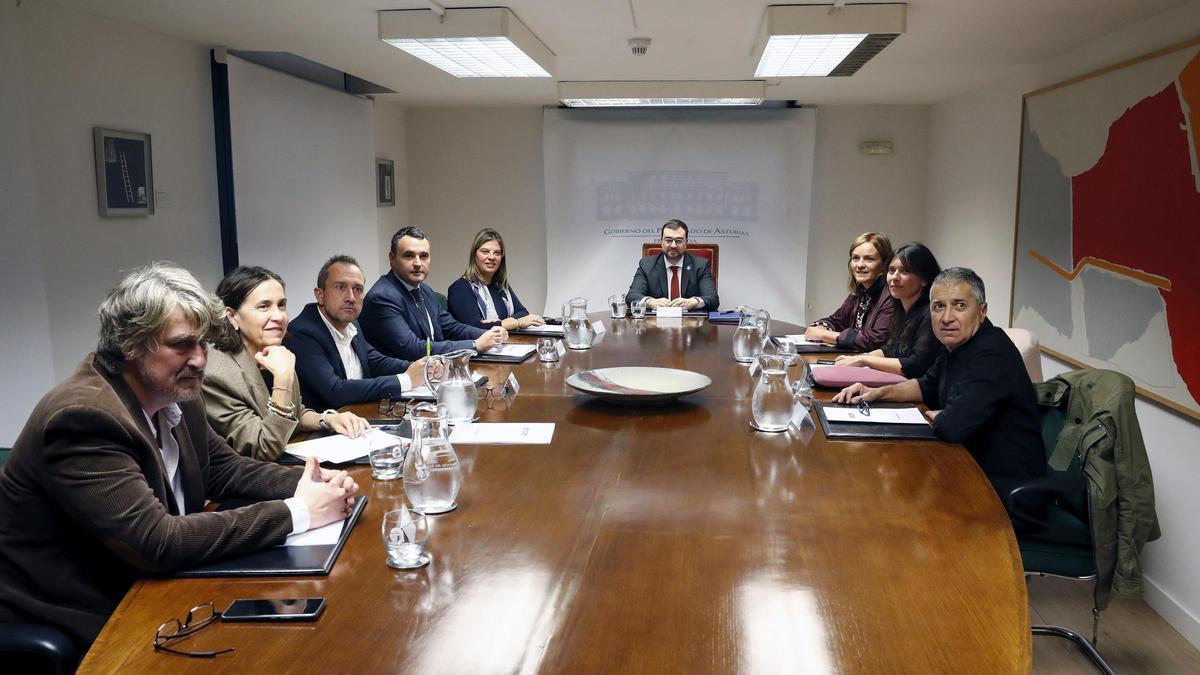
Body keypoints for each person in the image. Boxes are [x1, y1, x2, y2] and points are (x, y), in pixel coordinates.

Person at [0, 262, 358, 650]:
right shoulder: (83, 418)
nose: (200, 360)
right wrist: (299, 512)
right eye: (182, 344)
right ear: (130, 344)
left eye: (203, 344)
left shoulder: (176, 393)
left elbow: (223, 468)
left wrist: (316, 482)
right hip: (82, 613)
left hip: (158, 589)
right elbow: (156, 541)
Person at [833, 267, 1045, 488]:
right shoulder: (955, 344)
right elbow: (925, 386)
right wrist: (876, 392)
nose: (947, 317)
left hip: (1002, 489)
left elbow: (951, 426)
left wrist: (942, 415)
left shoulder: (991, 352)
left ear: (982, 311)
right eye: (938, 306)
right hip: (965, 465)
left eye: (960, 305)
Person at [203, 266, 368, 462]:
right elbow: (263, 448)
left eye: (281, 305)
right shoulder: (217, 374)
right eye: (264, 306)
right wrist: (283, 379)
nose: (279, 316)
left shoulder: (274, 353)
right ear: (232, 316)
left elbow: (295, 414)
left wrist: (328, 419)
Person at [285, 255, 432, 410]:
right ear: (320, 295)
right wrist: (406, 380)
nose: (351, 298)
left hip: (359, 419)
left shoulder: (352, 323)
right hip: (322, 429)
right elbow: (335, 391)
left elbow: (374, 361)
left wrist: (422, 368)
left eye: (357, 289)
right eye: (340, 287)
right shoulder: (302, 333)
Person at [360, 226, 507, 360]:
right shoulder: (383, 297)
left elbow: (451, 327)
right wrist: (475, 345)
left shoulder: (424, 290)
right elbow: (413, 349)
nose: (418, 263)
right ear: (392, 259)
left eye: (423, 256)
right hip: (402, 381)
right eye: (409, 256)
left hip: (433, 373)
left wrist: (490, 334)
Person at [834, 242, 941, 378]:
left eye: (905, 271)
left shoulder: (931, 314)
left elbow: (915, 366)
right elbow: (890, 350)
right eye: (891, 270)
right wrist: (857, 358)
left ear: (924, 279)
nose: (895, 277)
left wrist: (863, 360)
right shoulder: (902, 309)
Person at [806, 232, 895, 351]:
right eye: (855, 258)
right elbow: (836, 320)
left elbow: (875, 341)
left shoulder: (891, 295)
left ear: (884, 264)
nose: (860, 265)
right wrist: (822, 328)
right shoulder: (859, 292)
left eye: (869, 259)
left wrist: (829, 336)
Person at [447, 228, 546, 331]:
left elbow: (523, 313)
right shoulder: (460, 288)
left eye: (497, 253)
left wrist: (500, 323)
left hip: (506, 344)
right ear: (474, 255)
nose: (491, 257)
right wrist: (516, 323)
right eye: (485, 252)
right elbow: (474, 328)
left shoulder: (501, 286)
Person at [625, 219, 719, 311]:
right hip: (655, 323)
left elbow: (713, 299)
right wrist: (650, 302)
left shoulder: (701, 265)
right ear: (661, 242)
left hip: (691, 322)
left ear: (686, 243)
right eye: (668, 240)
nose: (673, 245)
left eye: (679, 241)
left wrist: (694, 302)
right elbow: (631, 297)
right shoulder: (647, 265)